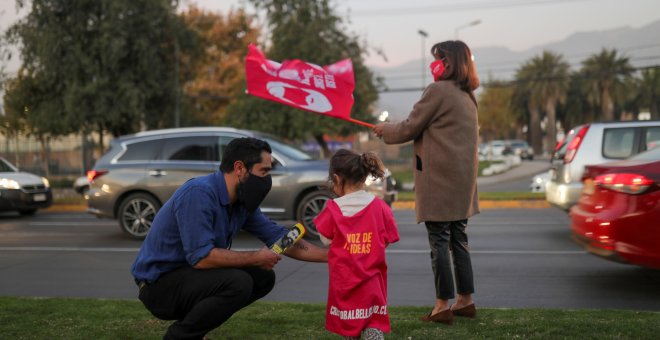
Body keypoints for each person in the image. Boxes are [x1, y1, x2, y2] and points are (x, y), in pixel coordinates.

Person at [131, 137, 328, 340]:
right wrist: (256, 257)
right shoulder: (199, 194)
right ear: (240, 168)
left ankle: (195, 326)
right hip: (158, 286)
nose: (268, 178)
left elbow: (281, 240)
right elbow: (201, 258)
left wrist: (332, 256)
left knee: (262, 278)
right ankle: (180, 336)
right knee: (238, 282)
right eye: (264, 171)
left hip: (189, 276)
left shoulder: (241, 203)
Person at [372, 40, 480, 325]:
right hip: (462, 183)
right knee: (459, 241)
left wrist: (385, 131)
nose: (435, 64)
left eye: (439, 59)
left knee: (439, 243)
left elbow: (411, 126)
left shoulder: (437, 90)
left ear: (450, 62)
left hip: (439, 181)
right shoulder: (467, 94)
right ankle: (465, 300)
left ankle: (441, 306)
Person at [314, 149, 400, 339]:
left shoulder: (332, 209)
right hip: (373, 286)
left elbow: (325, 238)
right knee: (373, 328)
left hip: (345, 285)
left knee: (349, 331)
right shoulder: (381, 207)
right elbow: (386, 239)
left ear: (336, 178)